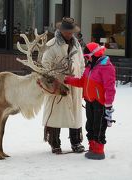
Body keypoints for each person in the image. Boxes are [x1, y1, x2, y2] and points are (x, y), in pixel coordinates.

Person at [64, 42, 116, 160]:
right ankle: (92, 147)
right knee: (90, 125)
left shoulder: (106, 67)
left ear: (94, 54)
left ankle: (99, 150)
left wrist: (108, 104)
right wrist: (68, 80)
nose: (86, 59)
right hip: (89, 101)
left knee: (99, 126)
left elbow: (110, 88)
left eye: (87, 56)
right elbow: (82, 82)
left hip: (100, 103)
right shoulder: (90, 66)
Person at [42, 17, 85, 154]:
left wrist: (81, 79)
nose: (69, 34)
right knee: (56, 114)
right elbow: (45, 66)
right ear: (61, 30)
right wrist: (57, 78)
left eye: (71, 31)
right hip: (58, 86)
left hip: (75, 84)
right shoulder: (52, 45)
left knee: (75, 114)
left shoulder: (77, 45)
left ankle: (76, 142)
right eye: (67, 31)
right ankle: (54, 143)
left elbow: (82, 64)